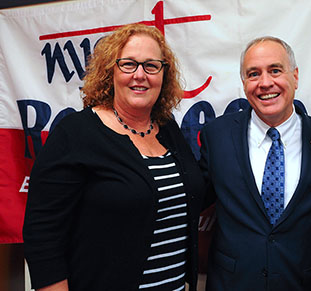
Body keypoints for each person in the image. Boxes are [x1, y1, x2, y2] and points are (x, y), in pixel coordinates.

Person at [23, 23, 205, 291]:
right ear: (111, 71)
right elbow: (43, 235)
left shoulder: (168, 129)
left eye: (151, 66)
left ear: (164, 74)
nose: (140, 75)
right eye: (128, 64)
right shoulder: (75, 134)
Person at [199, 36, 311, 291]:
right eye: (253, 74)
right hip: (232, 283)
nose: (265, 83)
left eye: (275, 70)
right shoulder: (217, 135)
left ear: (295, 76)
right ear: (244, 84)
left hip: (303, 283)